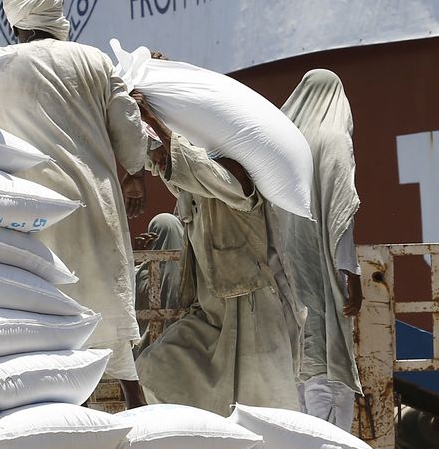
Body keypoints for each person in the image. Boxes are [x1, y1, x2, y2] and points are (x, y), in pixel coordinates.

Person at [0, 0, 156, 400]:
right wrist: (134, 174)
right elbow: (129, 132)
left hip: (30, 213)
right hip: (96, 207)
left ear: (17, 25)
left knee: (47, 330)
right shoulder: (94, 61)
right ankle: (135, 412)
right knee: (109, 325)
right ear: (57, 18)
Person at [132, 87, 300, 413]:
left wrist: (154, 118)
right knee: (155, 370)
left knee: (265, 413)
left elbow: (196, 167)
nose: (158, 162)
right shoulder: (188, 187)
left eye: (161, 153)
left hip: (255, 312)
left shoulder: (232, 173)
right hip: (210, 313)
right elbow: (174, 167)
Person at [270, 69, 363, 430]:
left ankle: (303, 442)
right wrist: (351, 272)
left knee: (299, 351)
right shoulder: (333, 139)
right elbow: (343, 209)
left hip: (283, 268)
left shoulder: (284, 142)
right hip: (319, 263)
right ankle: (331, 445)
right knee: (328, 350)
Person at [134, 212, 185, 347]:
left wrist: (139, 257)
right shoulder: (192, 276)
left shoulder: (139, 276)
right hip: (184, 345)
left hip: (145, 352)